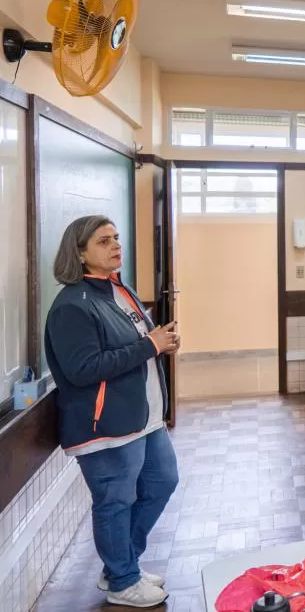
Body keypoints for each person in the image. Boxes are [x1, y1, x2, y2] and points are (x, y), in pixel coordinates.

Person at [45, 216, 180, 608]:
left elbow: (139, 344)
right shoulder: (71, 304)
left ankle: (123, 564)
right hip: (107, 426)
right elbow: (83, 369)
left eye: (117, 238)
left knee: (162, 483)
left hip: (145, 419)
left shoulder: (119, 289)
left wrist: (160, 342)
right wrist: (149, 346)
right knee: (114, 502)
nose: (116, 245)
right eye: (104, 241)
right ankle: (122, 580)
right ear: (80, 252)